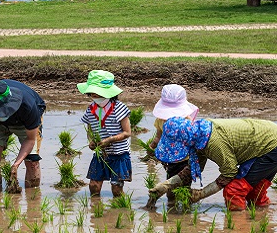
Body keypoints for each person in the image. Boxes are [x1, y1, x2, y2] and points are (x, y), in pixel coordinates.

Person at [149, 117, 277, 211]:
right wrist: (164, 186)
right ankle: (262, 214)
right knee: (254, 193)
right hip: (275, 138)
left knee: (234, 191)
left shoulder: (213, 143)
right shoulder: (199, 134)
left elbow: (229, 173)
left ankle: (238, 229)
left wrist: (201, 194)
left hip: (272, 145)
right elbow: (191, 170)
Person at [0, 80, 45, 194]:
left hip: (23, 123)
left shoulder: (28, 105)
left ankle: (33, 200)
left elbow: (30, 140)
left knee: (32, 162)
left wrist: (16, 165)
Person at [144, 84, 200, 210]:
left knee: (184, 189)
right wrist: (153, 145)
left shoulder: (186, 120)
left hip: (185, 161)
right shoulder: (160, 120)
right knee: (170, 190)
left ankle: (186, 210)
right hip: (169, 162)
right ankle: (171, 209)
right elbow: (158, 136)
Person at [78, 70, 132, 198]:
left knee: (116, 189)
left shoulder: (119, 108)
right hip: (100, 153)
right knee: (93, 186)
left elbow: (127, 132)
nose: (93, 94)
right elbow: (90, 130)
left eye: (96, 92)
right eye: (91, 92)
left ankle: (120, 211)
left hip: (119, 154)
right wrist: (91, 142)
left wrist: (110, 140)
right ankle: (96, 212)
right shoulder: (91, 109)